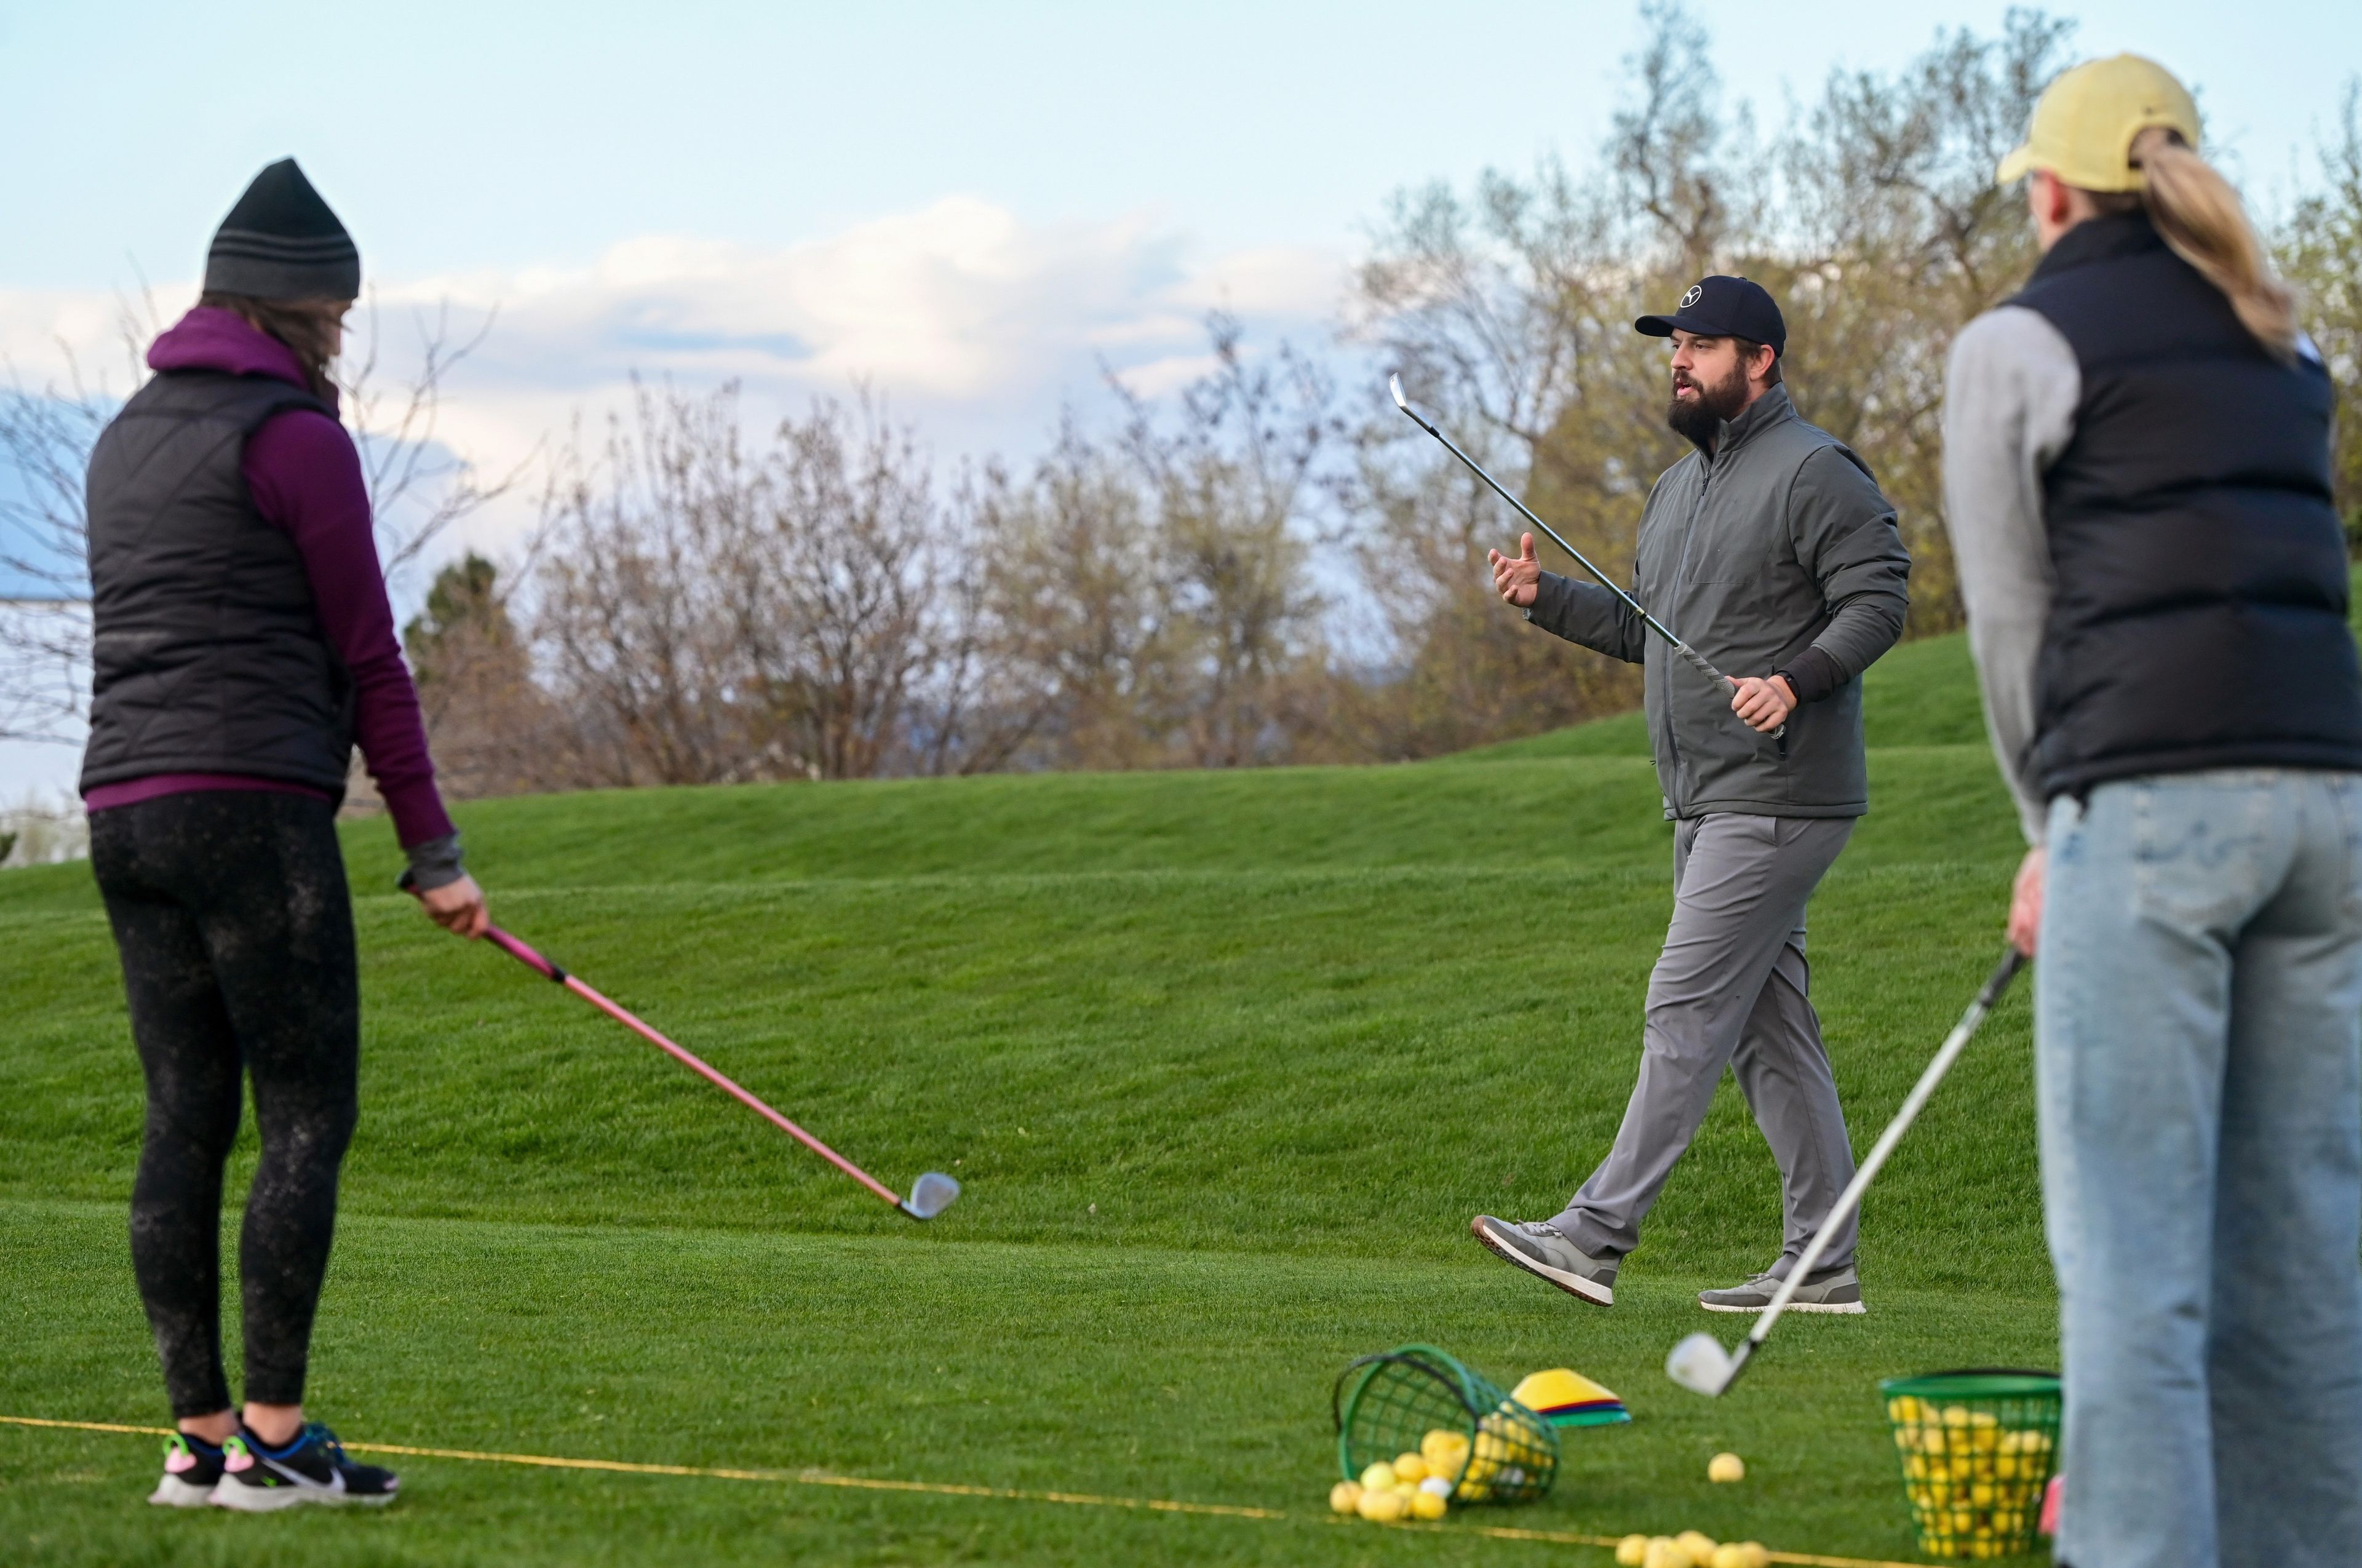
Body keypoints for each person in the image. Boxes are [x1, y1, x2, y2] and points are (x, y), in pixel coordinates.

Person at [1943, 55, 2362, 1567]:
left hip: (2154, 815)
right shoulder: (2282, 339)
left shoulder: (2017, 341)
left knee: (2132, 1271)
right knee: (2306, 1267)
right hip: (2330, 816)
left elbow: (2011, 631)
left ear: (2053, 194)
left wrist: (2054, 826)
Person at [81, 158, 488, 1511]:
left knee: (184, 1119)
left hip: (122, 817)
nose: (342, 340)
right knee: (306, 1111)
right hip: (252, 810)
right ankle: (275, 1437)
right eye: (338, 317)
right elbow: (373, 660)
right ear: (300, 311)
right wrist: (434, 854)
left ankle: (198, 1444)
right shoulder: (298, 439)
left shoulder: (123, 435)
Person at [1470, 275, 1911, 1313]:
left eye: (1704, 343)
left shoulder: (1814, 471)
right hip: (1704, 796)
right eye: (1675, 342)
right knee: (1769, 1030)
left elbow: (1880, 594)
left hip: (1779, 789)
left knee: (1686, 1001)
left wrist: (1795, 677)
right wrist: (1547, 602)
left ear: (1760, 360)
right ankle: (1823, 1264)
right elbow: (1645, 628)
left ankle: (1591, 1237)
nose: (1681, 357)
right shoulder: (1676, 492)